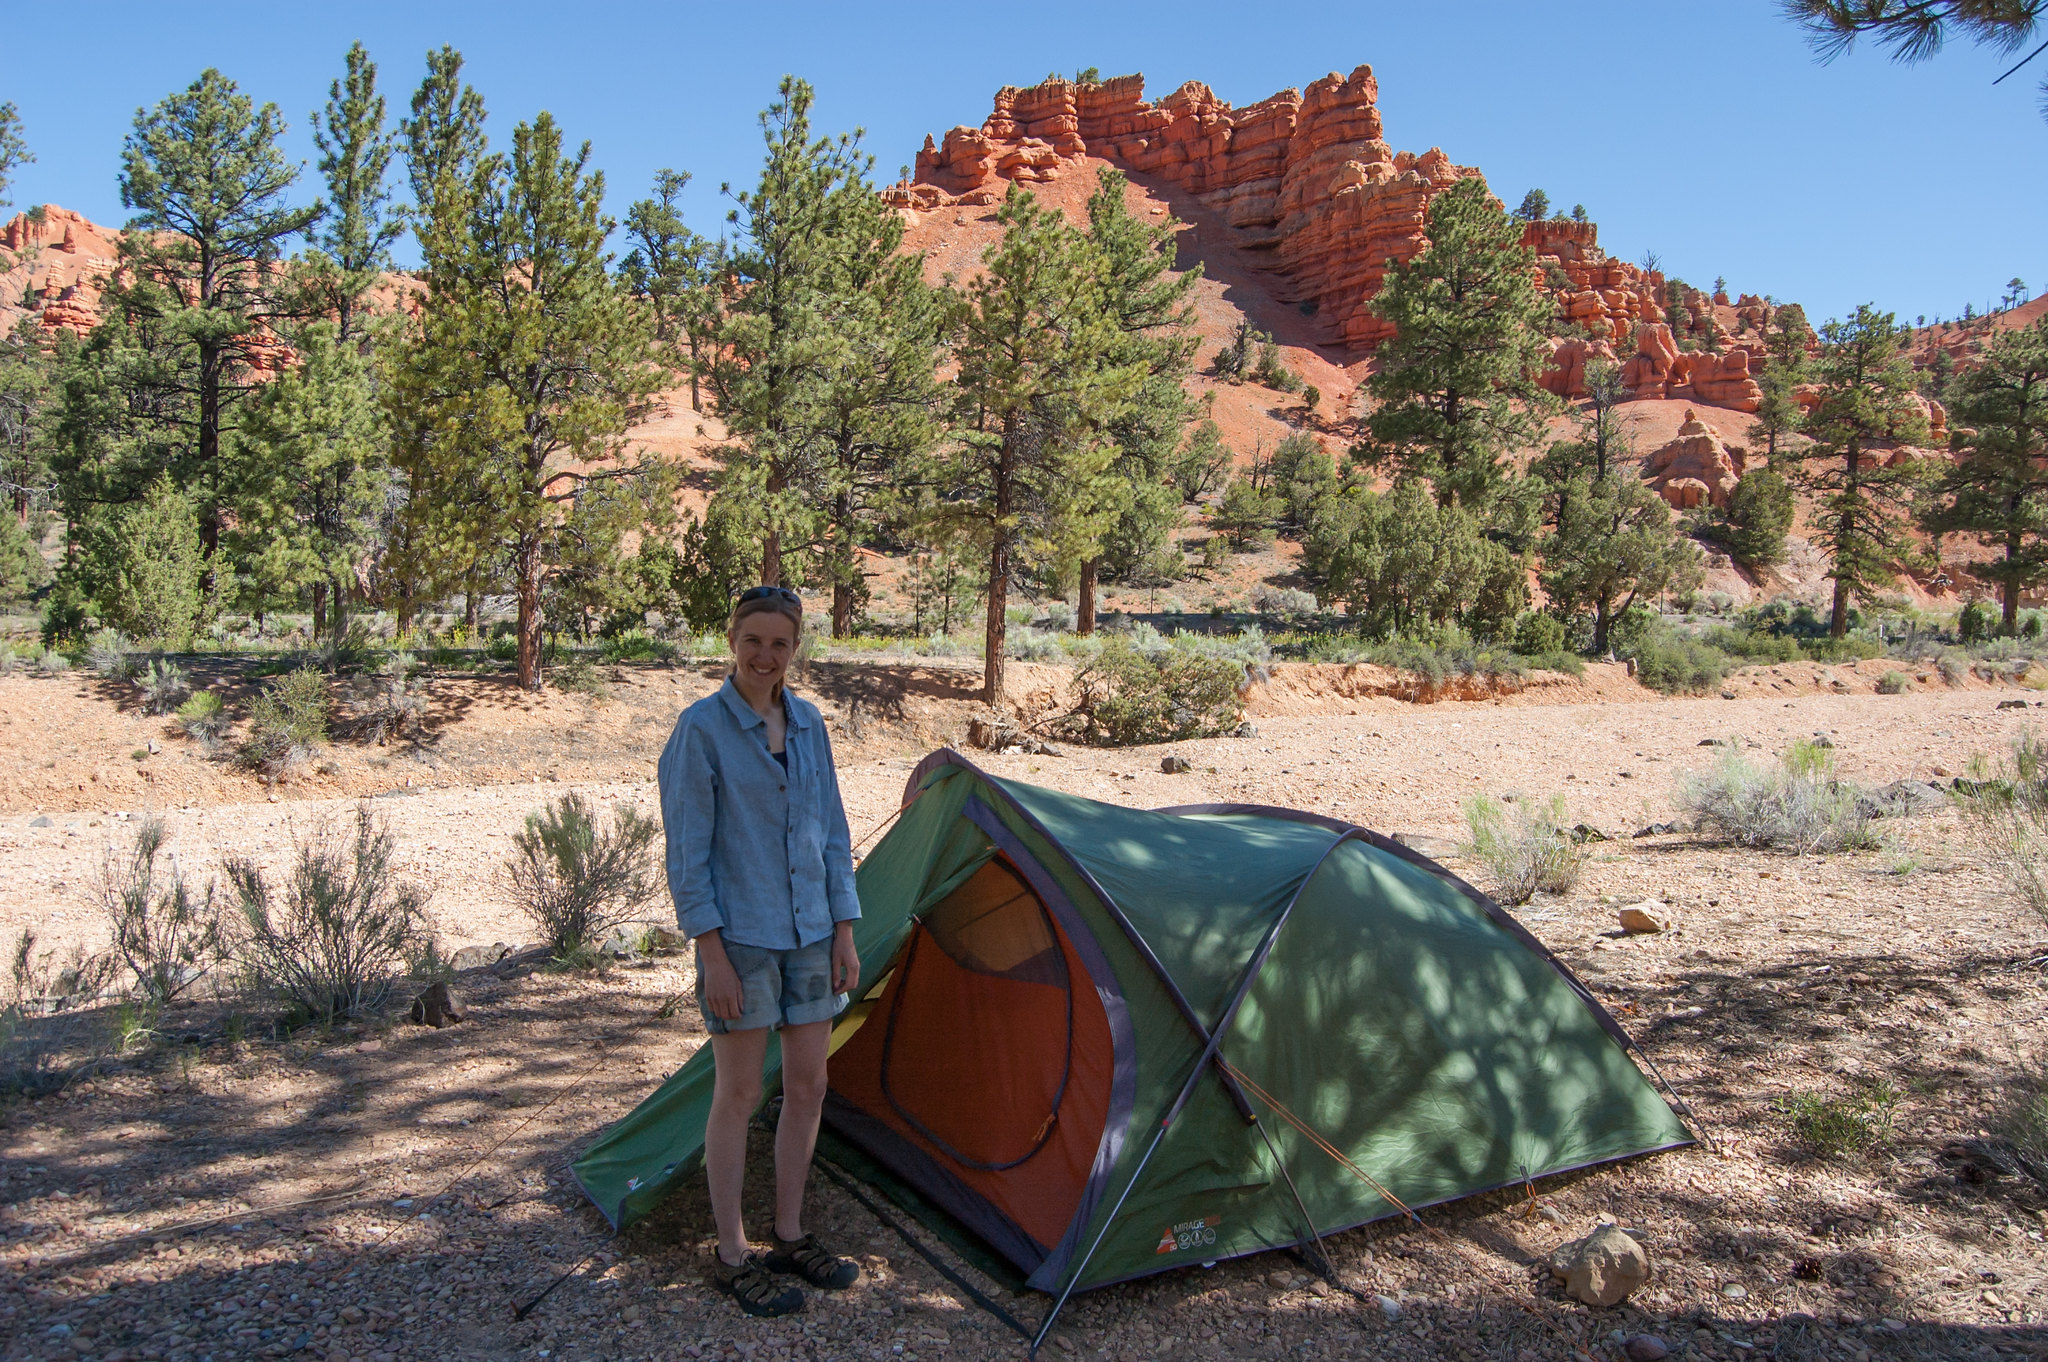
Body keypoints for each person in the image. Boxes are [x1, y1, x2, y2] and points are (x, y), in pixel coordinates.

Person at [658, 585, 863, 1318]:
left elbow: (833, 835)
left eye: (780, 644)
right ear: (731, 639)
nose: (765, 657)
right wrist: (710, 955)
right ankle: (731, 1251)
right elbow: (689, 855)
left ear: (795, 647)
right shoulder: (701, 731)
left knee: (808, 1086)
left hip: (811, 932)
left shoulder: (809, 724)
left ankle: (789, 1232)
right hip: (740, 940)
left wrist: (845, 928)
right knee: (740, 1094)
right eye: (753, 641)